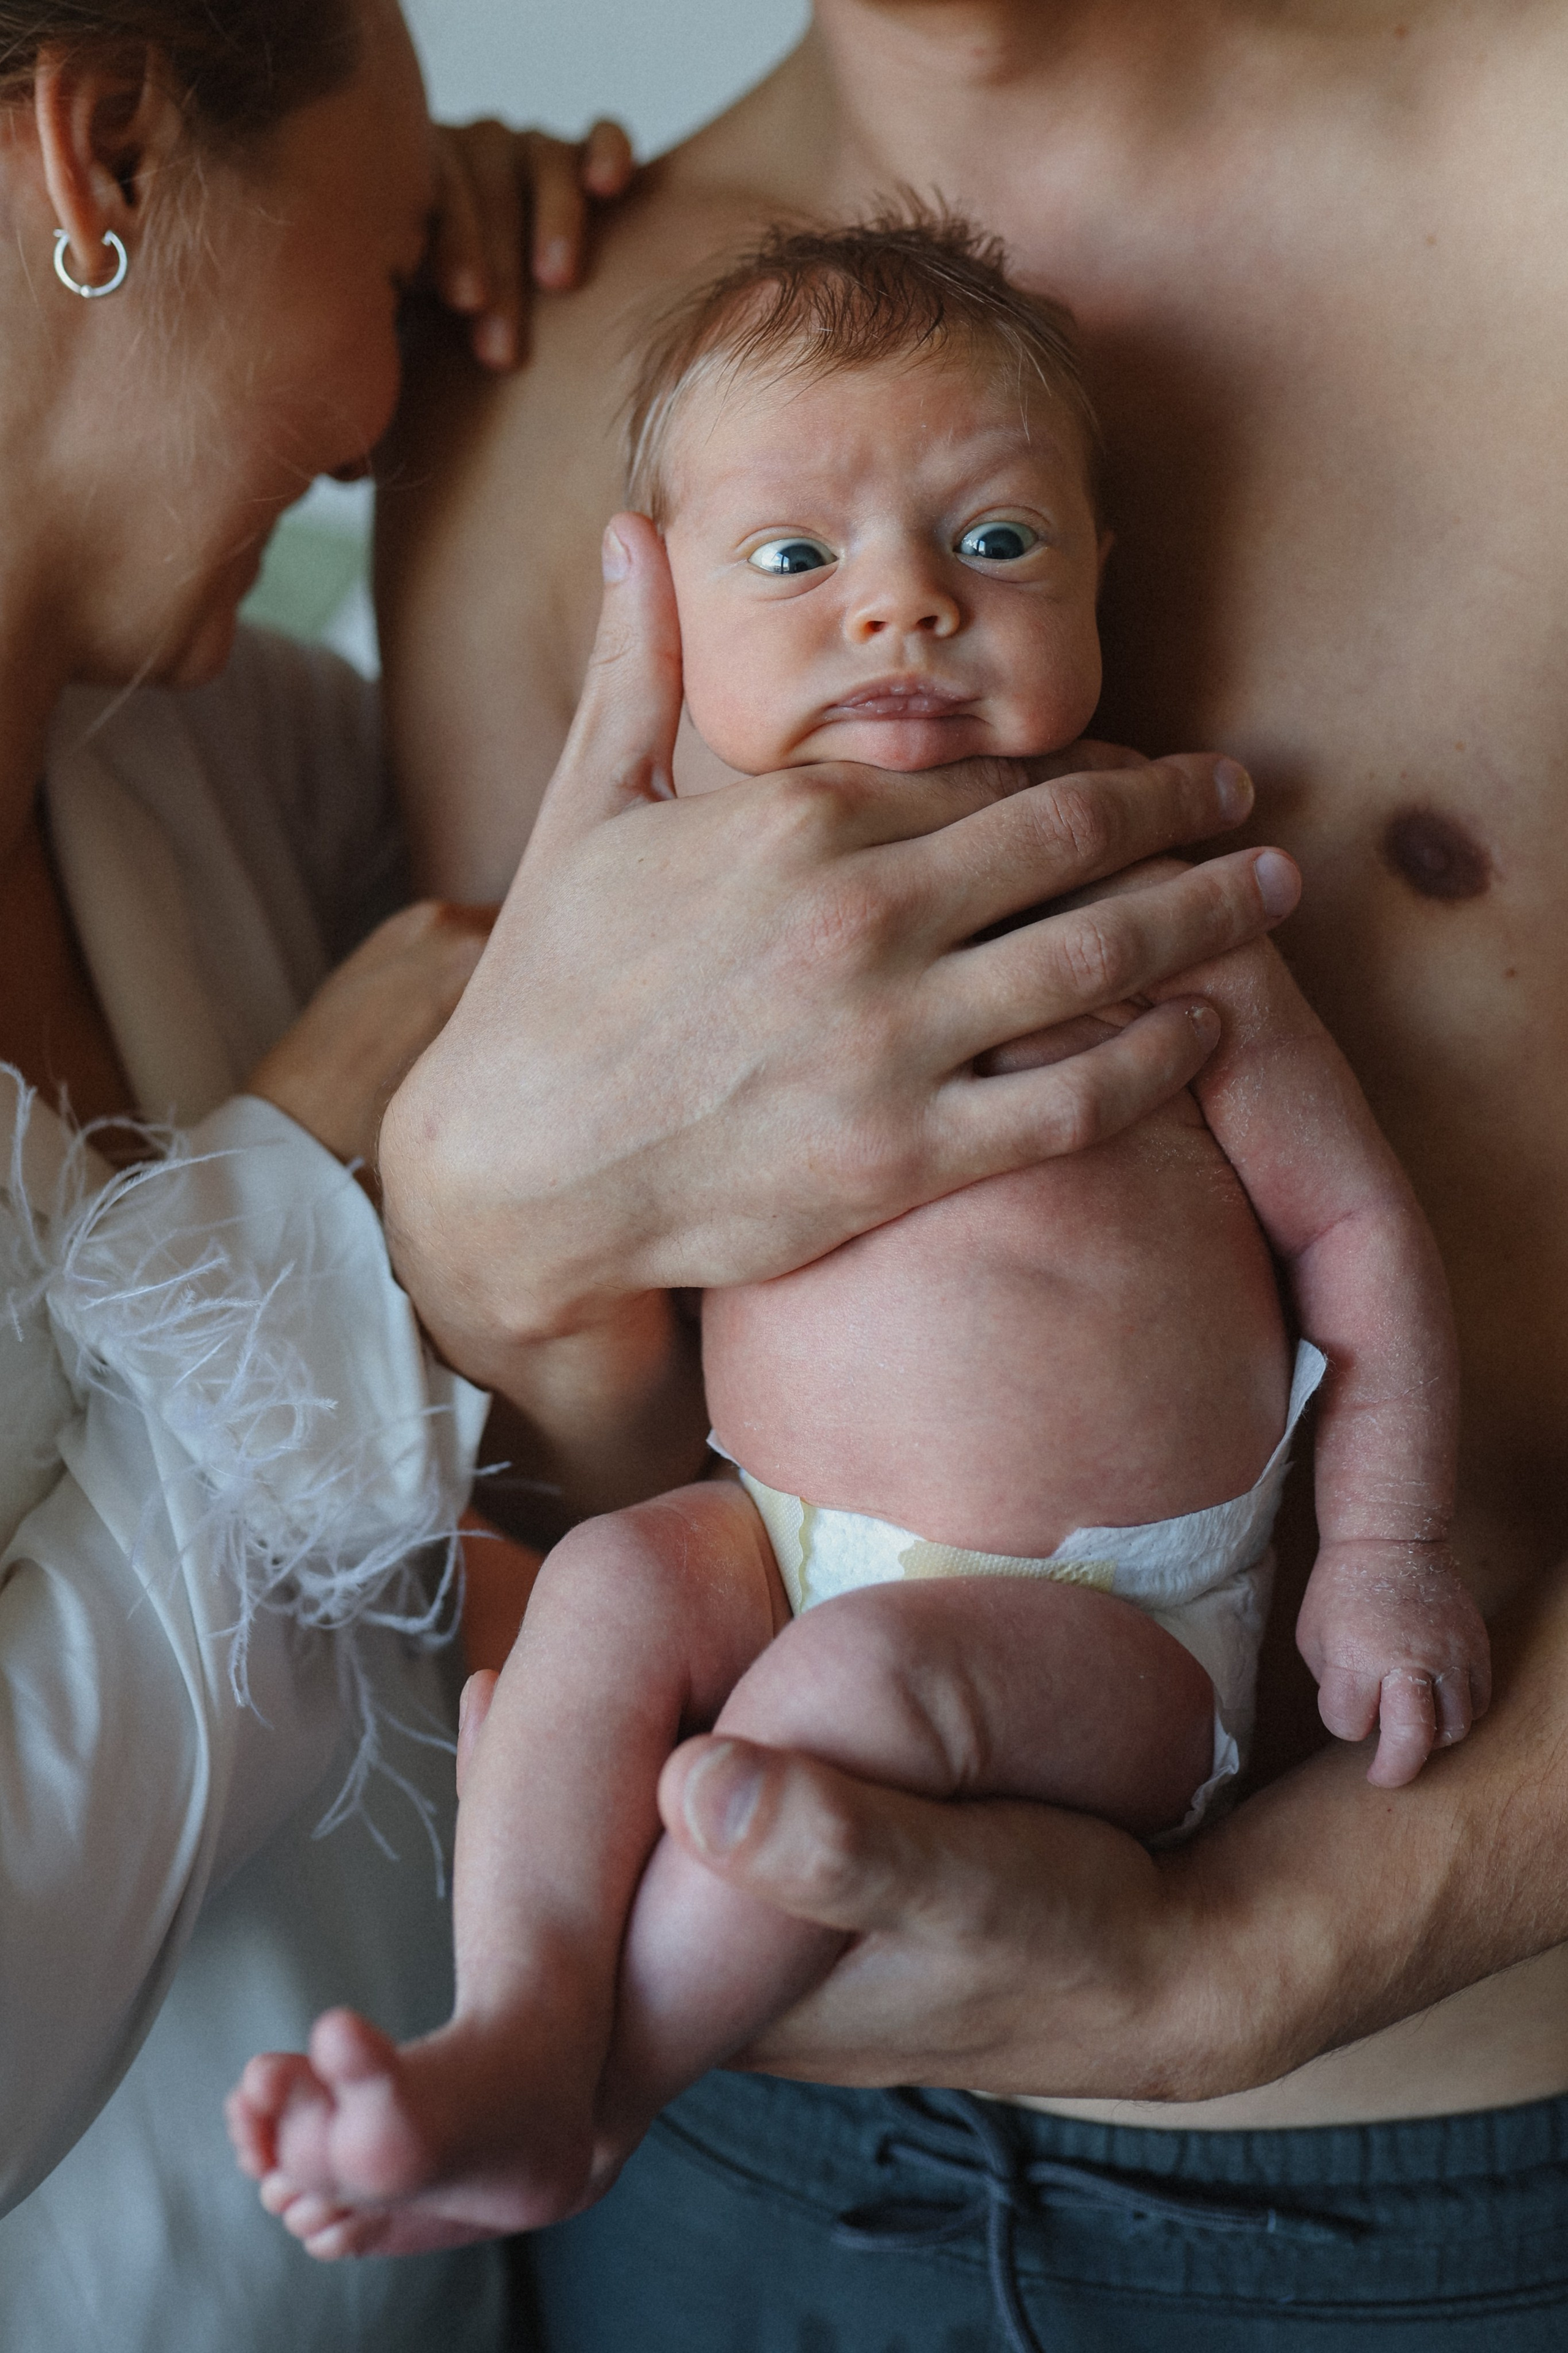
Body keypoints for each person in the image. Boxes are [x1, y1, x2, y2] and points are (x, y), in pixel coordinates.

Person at [369, 0, 1568, 2343]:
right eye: (799, 558)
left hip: (1419, 2189)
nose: (898, 608)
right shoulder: (521, 345)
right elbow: (569, 1452)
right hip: (712, 2200)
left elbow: (1353, 1241)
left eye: (993, 542)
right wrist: (479, 1234)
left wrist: (1276, 1949)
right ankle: (533, 2056)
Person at [0, 6, 643, 2347]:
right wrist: (296, 1216)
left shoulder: (206, 756)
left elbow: (580, 869)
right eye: (381, 281)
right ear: (109, 156)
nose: (381, 411)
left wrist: (529, 353)